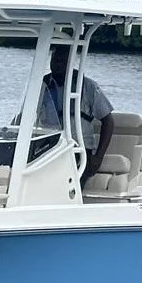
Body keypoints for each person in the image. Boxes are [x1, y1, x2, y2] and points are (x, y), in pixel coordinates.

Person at [37, 46, 114, 185]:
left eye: (62, 61)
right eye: (55, 60)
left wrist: (98, 157)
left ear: (70, 63)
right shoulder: (42, 85)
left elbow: (108, 121)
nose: (57, 64)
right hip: (50, 148)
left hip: (79, 151)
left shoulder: (87, 86)